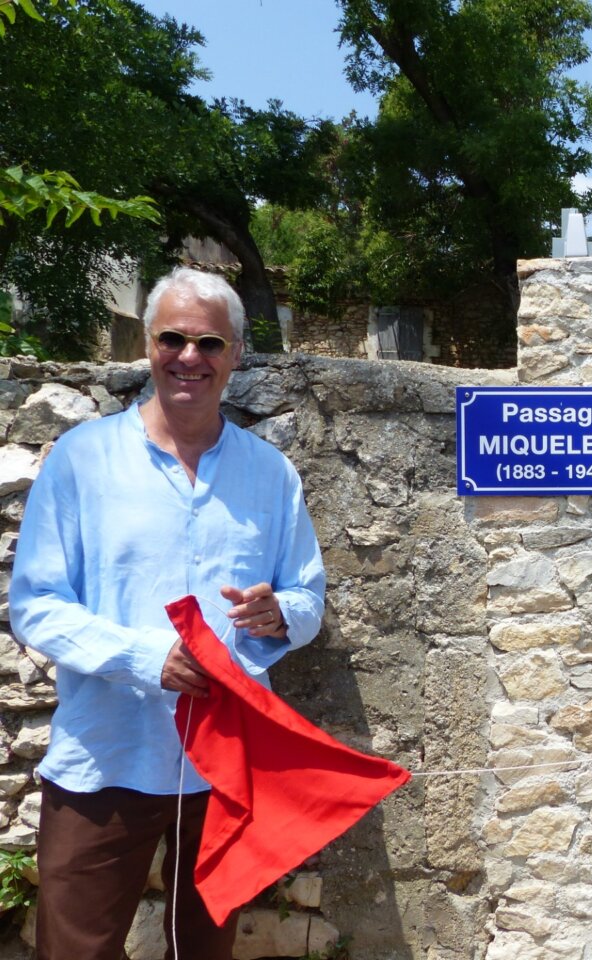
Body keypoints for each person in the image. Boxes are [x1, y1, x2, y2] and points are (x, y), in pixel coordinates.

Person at [11, 266, 326, 960]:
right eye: (173, 339)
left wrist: (280, 615)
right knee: (73, 949)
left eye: (209, 342)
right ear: (148, 346)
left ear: (237, 353)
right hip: (106, 755)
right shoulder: (82, 460)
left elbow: (307, 596)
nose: (190, 357)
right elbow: (35, 605)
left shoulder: (269, 474)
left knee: (204, 952)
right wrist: (145, 658)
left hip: (224, 766)